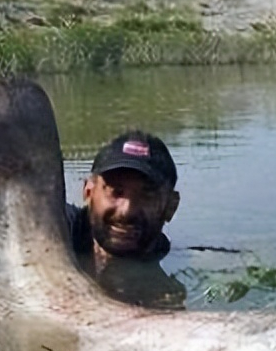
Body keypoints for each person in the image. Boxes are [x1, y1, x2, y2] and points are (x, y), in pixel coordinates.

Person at [65, 131, 187, 309]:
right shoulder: (54, 228)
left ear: (171, 206)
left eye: (146, 196)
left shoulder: (178, 266)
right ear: (88, 192)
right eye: (116, 192)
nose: (127, 211)